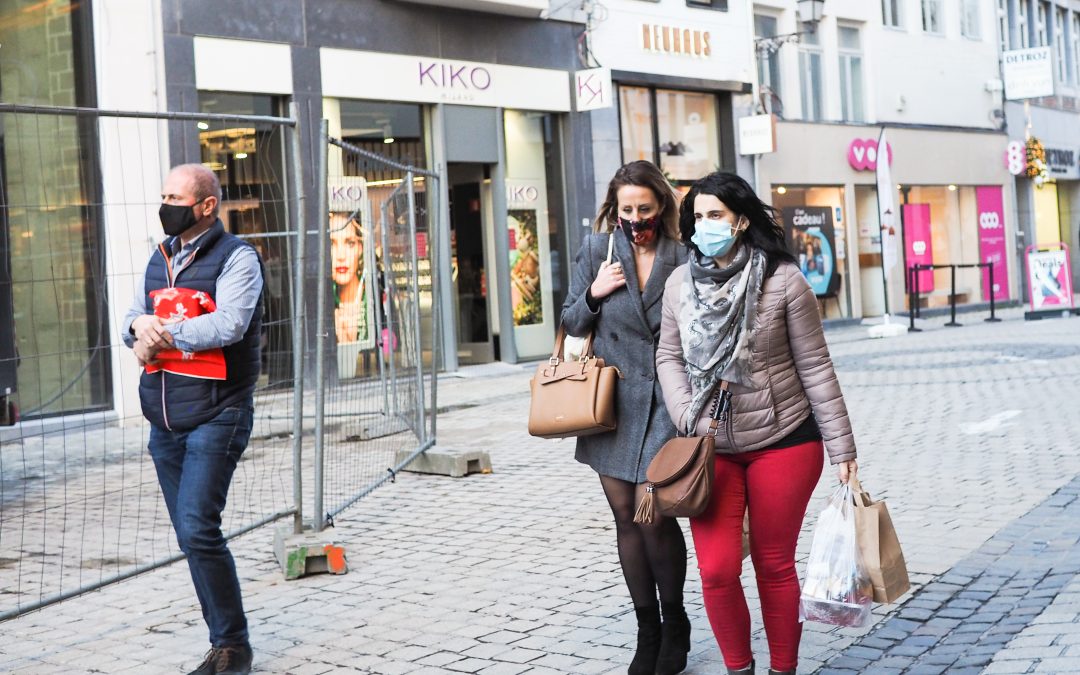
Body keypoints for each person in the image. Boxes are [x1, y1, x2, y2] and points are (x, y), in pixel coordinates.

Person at [655, 172, 858, 675]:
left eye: (716, 215)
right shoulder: (680, 284)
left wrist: (843, 448)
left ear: (741, 220)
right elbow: (668, 356)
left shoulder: (783, 279)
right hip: (710, 447)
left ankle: (782, 669)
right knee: (718, 570)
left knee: (772, 564)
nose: (706, 225)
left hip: (783, 438)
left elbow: (815, 365)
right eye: (698, 216)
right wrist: (686, 413)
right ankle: (739, 668)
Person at [123, 163, 263, 675]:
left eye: (176, 197)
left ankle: (233, 648)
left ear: (206, 205)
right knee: (189, 534)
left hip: (217, 413)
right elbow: (131, 318)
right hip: (164, 418)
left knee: (199, 528)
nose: (166, 205)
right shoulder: (158, 258)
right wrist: (140, 324)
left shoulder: (238, 258)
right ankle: (224, 641)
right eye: (163, 195)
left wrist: (164, 334)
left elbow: (230, 324)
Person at [560, 160, 690, 675]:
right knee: (624, 516)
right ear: (614, 210)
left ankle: (675, 621)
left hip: (664, 400)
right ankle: (647, 629)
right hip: (610, 402)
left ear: (661, 206)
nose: (636, 219)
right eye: (626, 209)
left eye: (644, 209)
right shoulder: (598, 250)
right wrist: (596, 292)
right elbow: (569, 320)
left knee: (652, 513)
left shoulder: (682, 257)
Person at [330, 213, 367, 345]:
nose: (341, 256)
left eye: (350, 243)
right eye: (331, 244)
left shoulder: (374, 298)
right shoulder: (323, 303)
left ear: (360, 248)